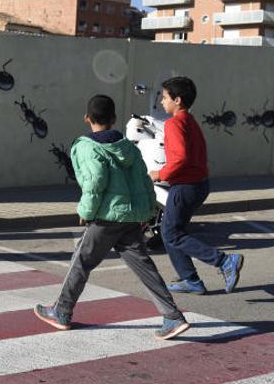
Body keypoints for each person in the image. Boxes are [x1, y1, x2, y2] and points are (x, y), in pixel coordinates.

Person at [34, 95, 190, 341]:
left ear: (87, 118)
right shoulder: (127, 145)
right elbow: (143, 179)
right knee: (143, 266)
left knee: (81, 261)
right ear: (115, 119)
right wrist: (149, 209)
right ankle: (172, 316)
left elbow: (94, 182)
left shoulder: (87, 146)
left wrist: (86, 212)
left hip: (106, 216)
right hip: (131, 216)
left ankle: (61, 311)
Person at [149, 77, 244, 294]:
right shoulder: (190, 121)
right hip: (198, 184)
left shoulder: (173, 123)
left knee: (171, 233)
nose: (162, 102)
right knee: (171, 231)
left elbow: (181, 157)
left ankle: (224, 261)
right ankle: (190, 280)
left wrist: (159, 174)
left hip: (184, 187)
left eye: (165, 98)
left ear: (178, 100)